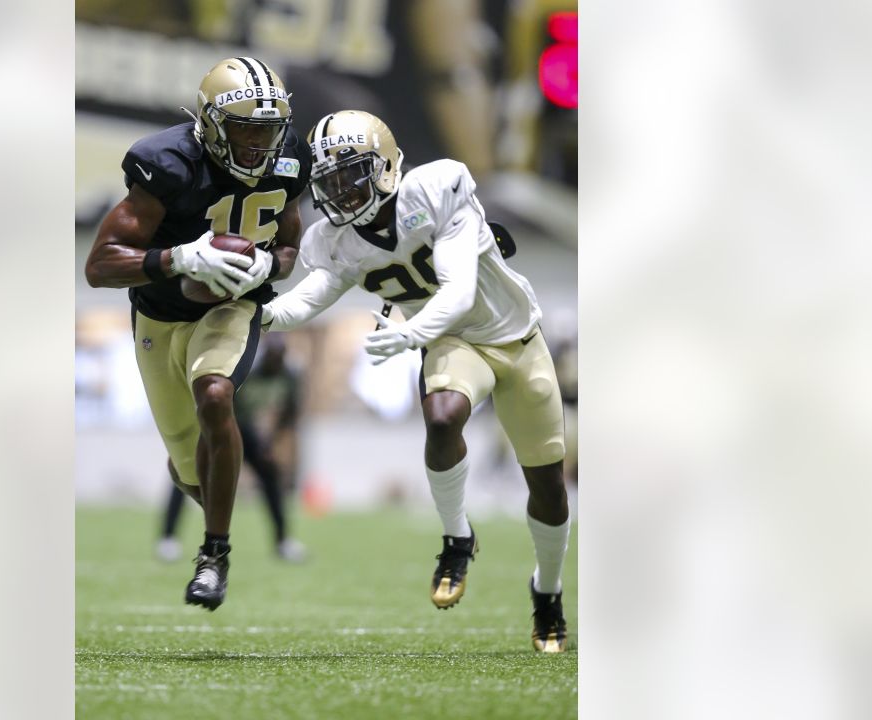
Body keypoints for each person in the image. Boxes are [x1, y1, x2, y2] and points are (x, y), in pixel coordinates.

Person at [261, 110, 571, 652]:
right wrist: (255, 311)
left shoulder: (435, 188)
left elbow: (457, 291)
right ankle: (457, 537)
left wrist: (411, 334)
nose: (339, 192)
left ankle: (547, 591)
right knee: (443, 415)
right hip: (455, 346)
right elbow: (307, 299)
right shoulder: (334, 240)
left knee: (547, 488)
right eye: (329, 181)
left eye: (349, 176)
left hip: (516, 341)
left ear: (383, 168)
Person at [84, 57, 311, 611]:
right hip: (159, 315)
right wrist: (179, 258)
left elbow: (287, 241)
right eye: (245, 128)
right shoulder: (167, 162)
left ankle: (214, 555)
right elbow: (99, 266)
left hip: (231, 307)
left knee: (216, 394)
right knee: (190, 472)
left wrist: (270, 268)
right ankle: (202, 493)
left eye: (268, 129)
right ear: (209, 122)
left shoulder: (289, 160)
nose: (259, 143)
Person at [156, 334, 307, 563]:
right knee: (187, 471)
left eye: (279, 357)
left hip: (248, 430)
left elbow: (290, 412)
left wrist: (271, 441)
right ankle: (168, 538)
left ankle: (283, 541)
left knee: (270, 475)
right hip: (220, 425)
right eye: (272, 356)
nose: (275, 361)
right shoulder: (248, 369)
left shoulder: (290, 376)